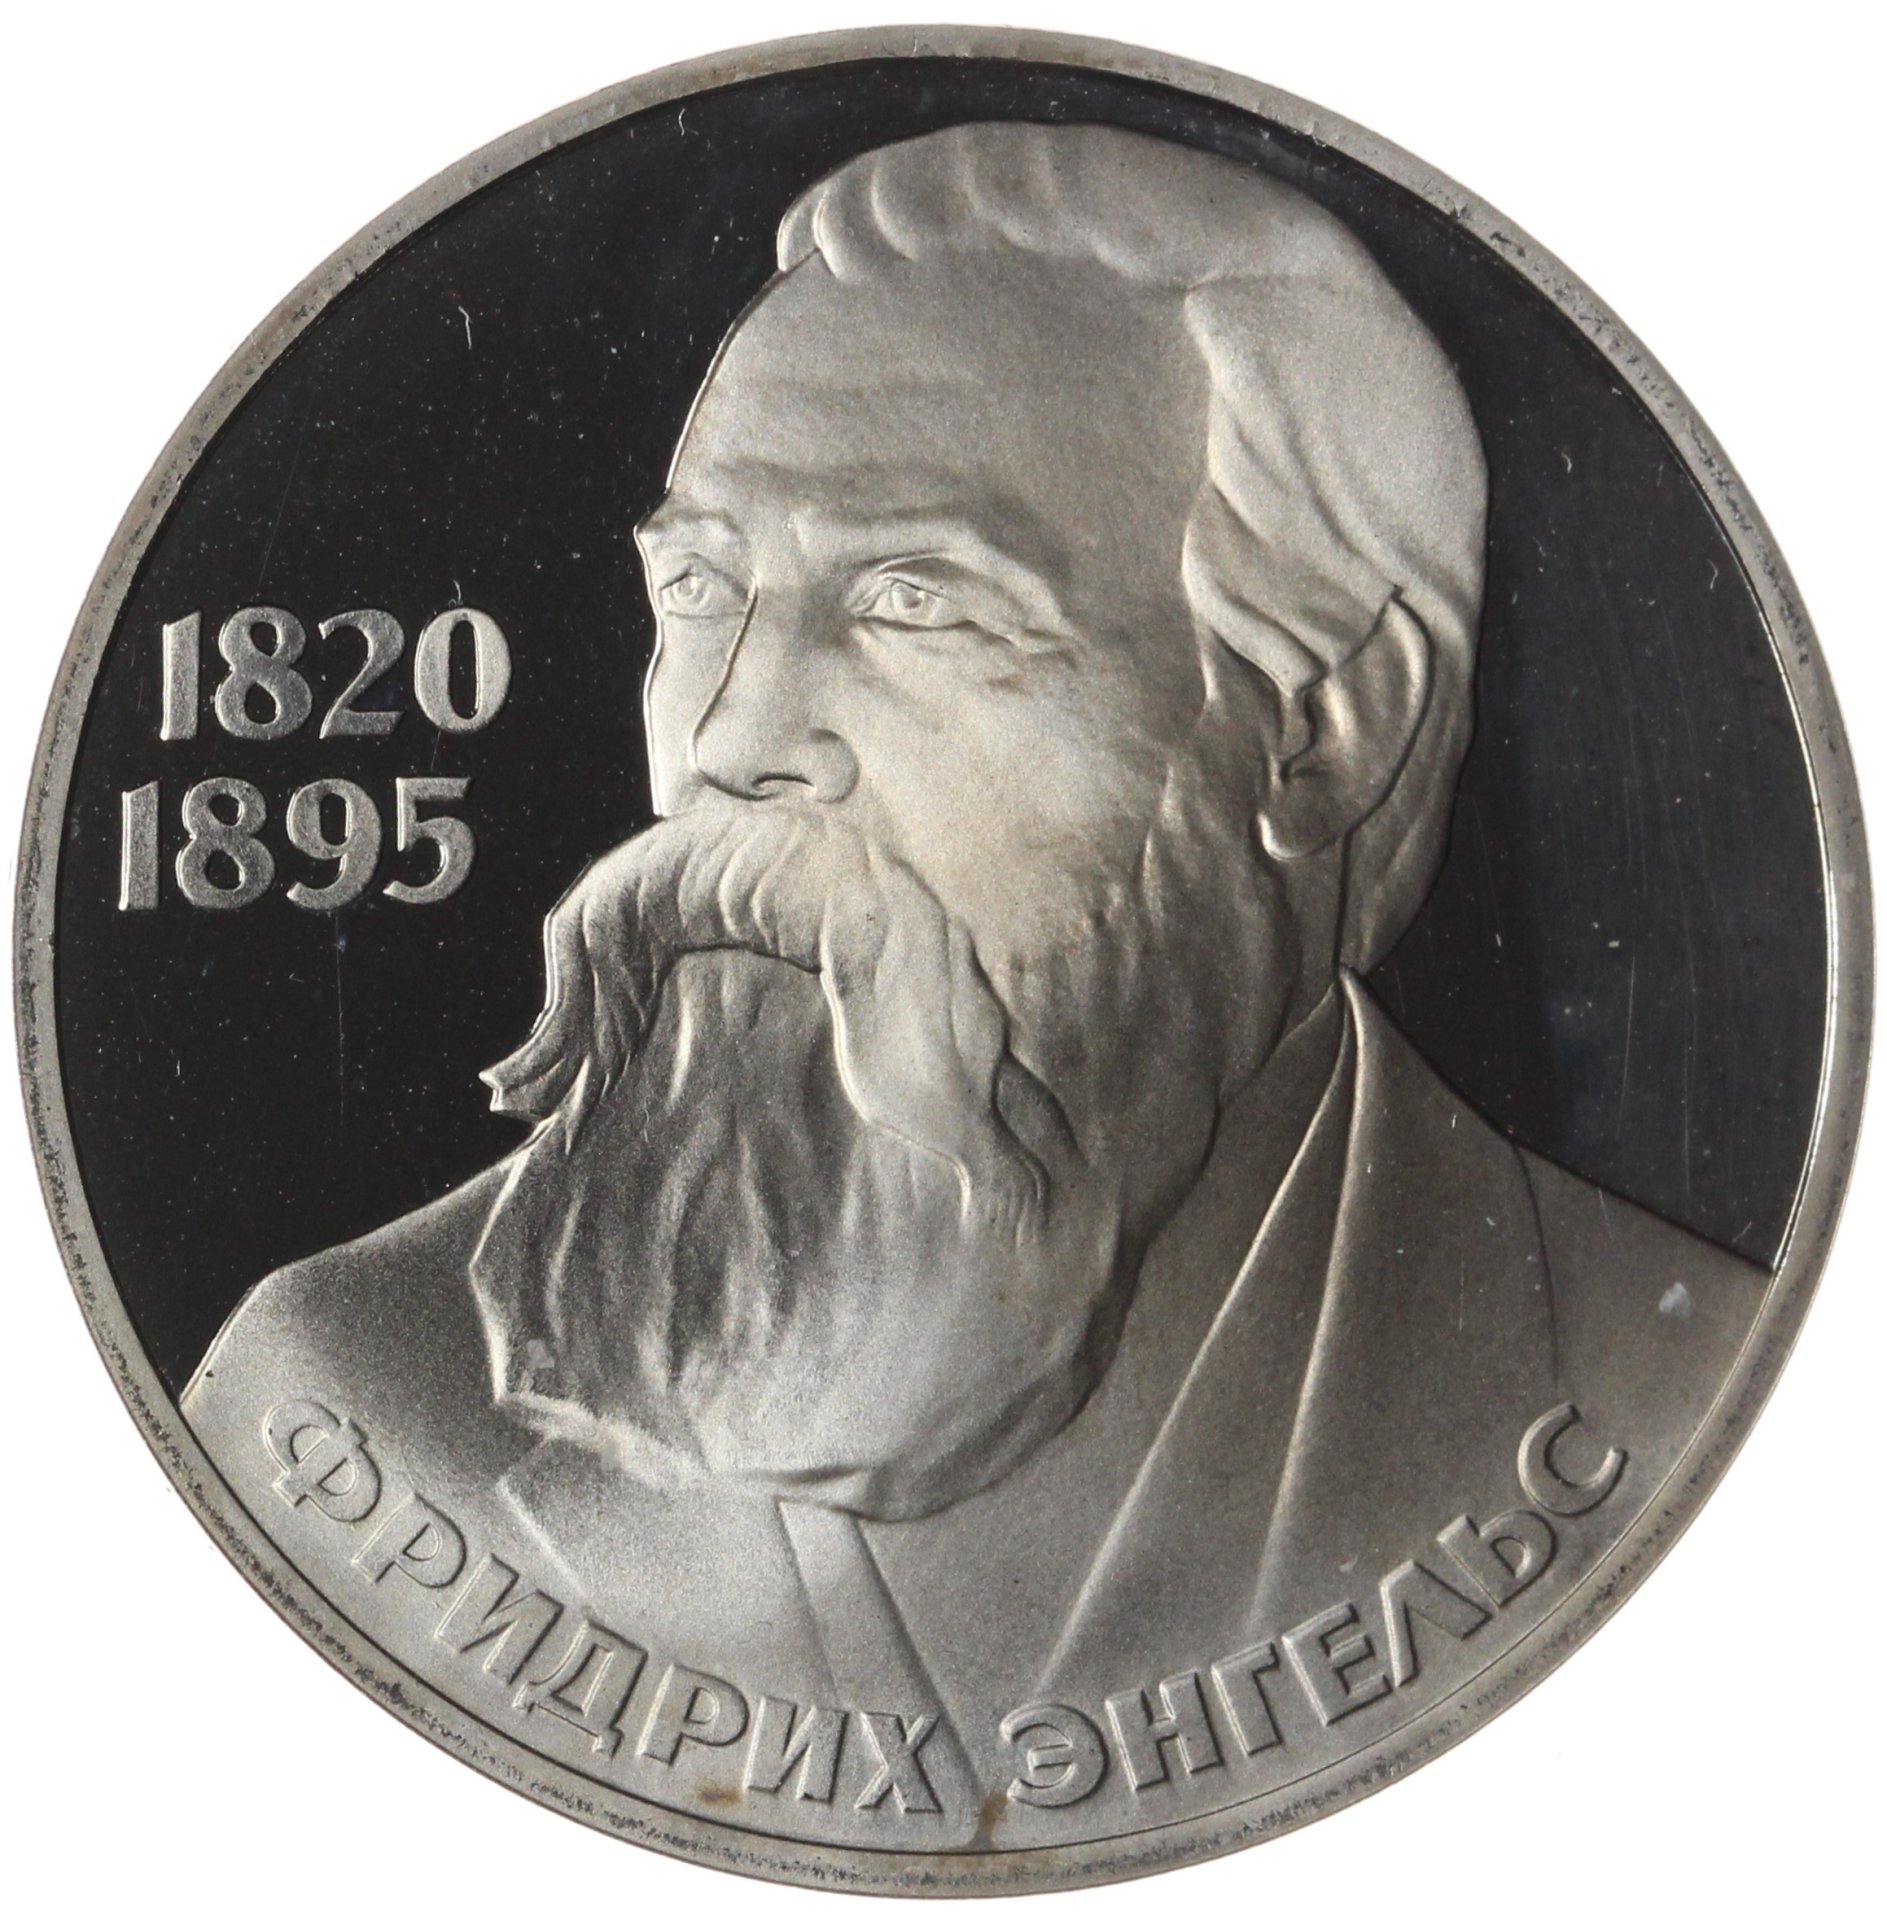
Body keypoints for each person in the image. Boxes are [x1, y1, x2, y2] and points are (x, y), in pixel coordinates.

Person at [183, 121, 1760, 1843]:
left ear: (1328, 731)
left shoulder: (1682, 1384)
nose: (731, 744)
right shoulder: (339, 1386)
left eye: (917, 605)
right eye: (701, 589)